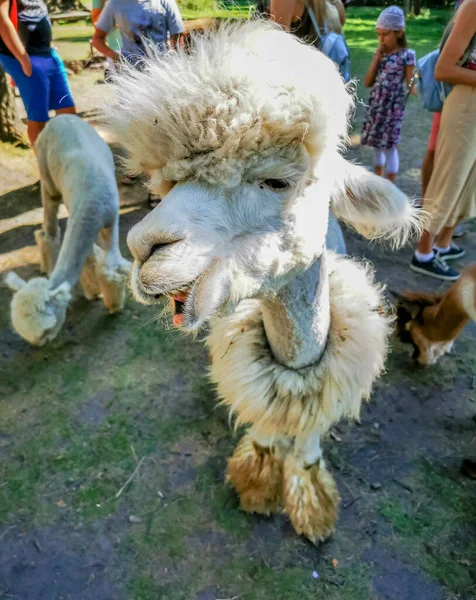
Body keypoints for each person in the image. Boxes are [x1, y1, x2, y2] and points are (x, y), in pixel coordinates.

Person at [410, 0, 476, 281]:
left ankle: (442, 244)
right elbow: (443, 69)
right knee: (450, 180)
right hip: (465, 105)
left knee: (469, 183)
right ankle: (423, 254)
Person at [0, 0, 76, 145]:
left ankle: (70, 156)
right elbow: (2, 20)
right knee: (39, 117)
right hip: (26, 58)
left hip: (48, 53)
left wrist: (49, 44)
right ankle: (44, 164)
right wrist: (23, 59)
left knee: (67, 110)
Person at [360, 6, 416, 184]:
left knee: (390, 146)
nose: (380, 39)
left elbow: (410, 84)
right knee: (376, 145)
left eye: (385, 34)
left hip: (393, 108)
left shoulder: (407, 55)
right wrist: (376, 58)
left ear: (399, 32)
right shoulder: (381, 55)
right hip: (377, 106)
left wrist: (420, 84)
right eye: (379, 34)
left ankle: (389, 185)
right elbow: (368, 82)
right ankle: (379, 182)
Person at [92, 0, 184, 69]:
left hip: (161, 70)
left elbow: (177, 37)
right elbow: (97, 39)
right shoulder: (115, 4)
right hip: (130, 75)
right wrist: (116, 57)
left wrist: (177, 65)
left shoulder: (165, 2)